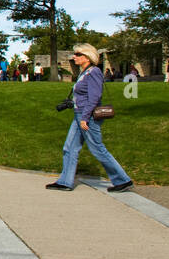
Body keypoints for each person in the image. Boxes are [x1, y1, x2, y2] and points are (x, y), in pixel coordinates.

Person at [46, 44, 133, 193]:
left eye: (78, 54)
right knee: (69, 147)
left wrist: (85, 118)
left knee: (98, 148)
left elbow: (95, 97)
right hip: (79, 115)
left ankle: (123, 180)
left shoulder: (94, 72)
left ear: (87, 57)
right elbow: (84, 95)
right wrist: (72, 103)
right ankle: (65, 181)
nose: (75, 57)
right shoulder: (84, 73)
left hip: (87, 117)